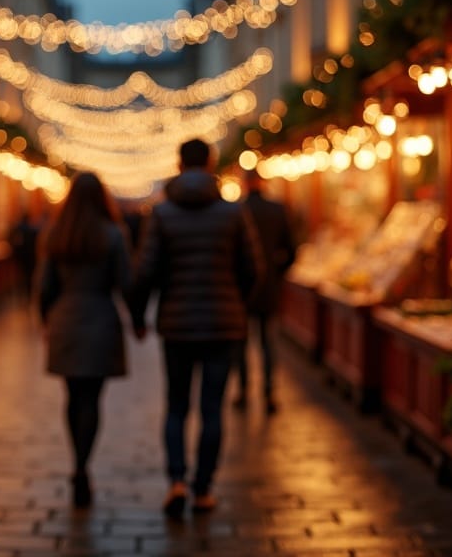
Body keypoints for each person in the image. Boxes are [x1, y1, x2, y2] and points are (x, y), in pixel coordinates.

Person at [129, 138, 264, 518]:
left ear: (178, 163)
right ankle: (203, 489)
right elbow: (254, 269)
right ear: (210, 164)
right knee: (212, 410)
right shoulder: (232, 213)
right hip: (223, 326)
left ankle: (176, 480)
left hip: (176, 325)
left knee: (176, 406)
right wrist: (237, 303)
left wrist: (139, 317)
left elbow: (146, 271)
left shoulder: (163, 214)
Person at [37, 172, 132, 509]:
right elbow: (125, 282)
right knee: (92, 398)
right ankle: (82, 465)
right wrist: (137, 320)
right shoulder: (113, 235)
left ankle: (76, 460)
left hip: (66, 319)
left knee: (73, 395)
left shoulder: (57, 234)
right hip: (101, 320)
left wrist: (44, 320)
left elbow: (46, 287)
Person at [233, 168, 296, 414]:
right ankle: (269, 391)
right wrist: (277, 273)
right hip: (269, 285)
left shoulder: (237, 210)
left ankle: (243, 388)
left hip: (241, 288)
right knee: (268, 341)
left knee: (241, 342)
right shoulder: (277, 210)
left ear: (245, 184)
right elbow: (291, 249)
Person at [9, 212, 39, 296]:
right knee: (28, 276)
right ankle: (28, 292)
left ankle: (24, 292)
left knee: (22, 276)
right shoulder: (31, 229)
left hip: (20, 257)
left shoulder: (18, 228)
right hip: (30, 257)